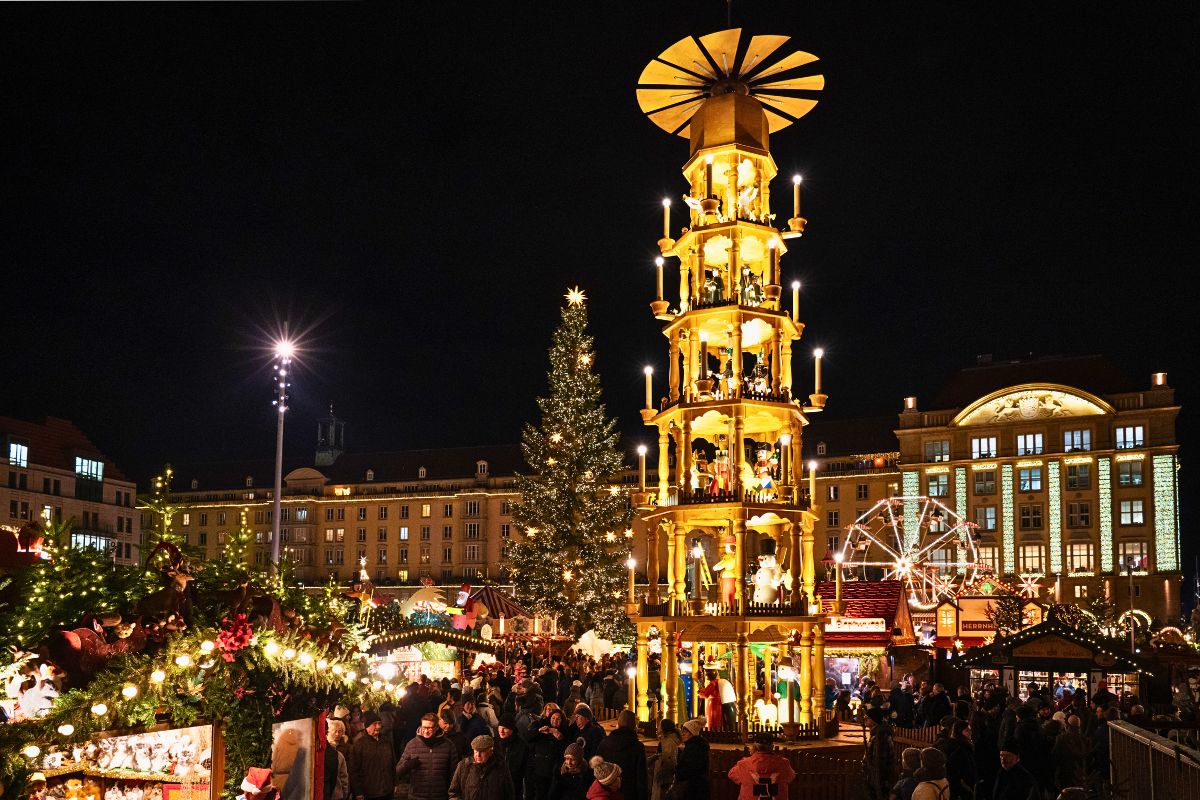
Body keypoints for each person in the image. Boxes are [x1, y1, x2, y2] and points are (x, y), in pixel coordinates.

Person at [398, 713, 463, 800]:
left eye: (429, 728)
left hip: (441, 796)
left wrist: (453, 795)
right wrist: (407, 765)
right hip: (417, 796)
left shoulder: (448, 745)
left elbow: (455, 774)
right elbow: (397, 771)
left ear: (436, 727)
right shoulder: (412, 744)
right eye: (424, 727)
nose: (426, 731)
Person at [727, 733, 796, 800]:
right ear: (772, 747)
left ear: (755, 746)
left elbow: (731, 774)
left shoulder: (744, 764)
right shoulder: (784, 763)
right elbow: (791, 777)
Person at [596, 710, 647, 800]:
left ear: (618, 724)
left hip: (607, 794)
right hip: (629, 794)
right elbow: (641, 779)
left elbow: (597, 770)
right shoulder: (637, 747)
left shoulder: (604, 743)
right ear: (635, 726)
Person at [450, 735, 515, 800]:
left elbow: (509, 794)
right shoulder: (464, 766)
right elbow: (454, 792)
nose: (478, 755)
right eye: (476, 751)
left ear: (490, 752)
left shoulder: (501, 767)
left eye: (482, 751)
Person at [349, 712, 395, 800]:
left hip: (387, 790)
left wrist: (394, 783)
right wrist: (358, 792)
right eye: (374, 724)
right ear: (367, 726)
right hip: (369, 793)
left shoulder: (386, 742)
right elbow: (354, 770)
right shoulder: (359, 745)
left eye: (379, 723)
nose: (378, 726)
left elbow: (392, 763)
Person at [527, 709, 571, 800]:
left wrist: (559, 736)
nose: (555, 720)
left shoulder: (565, 732)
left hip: (555, 771)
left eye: (558, 719)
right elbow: (529, 738)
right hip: (540, 769)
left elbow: (566, 750)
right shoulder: (543, 727)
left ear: (562, 721)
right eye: (553, 718)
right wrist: (539, 731)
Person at [673, 719, 710, 800]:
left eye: (685, 732)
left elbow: (689, 768)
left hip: (693, 788)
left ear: (691, 733)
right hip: (696, 787)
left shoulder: (694, 748)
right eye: (682, 731)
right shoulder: (694, 745)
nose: (682, 734)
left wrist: (678, 772)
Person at [496, 714, 529, 800]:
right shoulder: (494, 743)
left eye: (505, 728)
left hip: (515, 786)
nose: (501, 731)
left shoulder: (521, 745)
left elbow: (526, 769)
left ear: (512, 729)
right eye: (500, 727)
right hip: (496, 786)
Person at [864, 707, 894, 800]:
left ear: (874, 720)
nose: (865, 719)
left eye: (867, 718)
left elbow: (880, 761)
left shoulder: (880, 737)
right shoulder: (876, 734)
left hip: (878, 780)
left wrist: (876, 780)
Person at [647, 720, 681, 800]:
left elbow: (668, 761)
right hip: (664, 778)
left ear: (663, 728)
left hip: (664, 780)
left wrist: (661, 777)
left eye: (659, 725)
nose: (657, 727)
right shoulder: (667, 740)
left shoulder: (668, 742)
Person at [323, 719, 351, 800]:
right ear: (329, 732)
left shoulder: (346, 748)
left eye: (340, 731)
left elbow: (344, 776)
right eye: (335, 731)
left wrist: (345, 792)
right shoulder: (324, 749)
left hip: (337, 794)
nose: (337, 734)